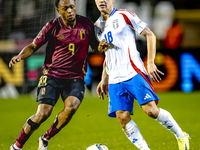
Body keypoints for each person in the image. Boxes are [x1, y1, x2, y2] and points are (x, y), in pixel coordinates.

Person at [8, 0, 109, 150]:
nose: (70, 11)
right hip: (52, 75)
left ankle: (45, 138)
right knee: (43, 114)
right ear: (58, 10)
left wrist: (101, 47)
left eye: (72, 7)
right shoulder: (52, 26)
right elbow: (33, 46)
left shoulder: (86, 24)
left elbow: (95, 46)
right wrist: (20, 56)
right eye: (65, 8)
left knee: (71, 108)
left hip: (76, 77)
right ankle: (17, 146)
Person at [94, 0, 190, 150]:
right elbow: (108, 55)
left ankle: (181, 135)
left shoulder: (125, 15)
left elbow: (150, 35)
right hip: (114, 79)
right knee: (122, 117)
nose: (101, 0)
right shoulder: (97, 26)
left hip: (133, 72)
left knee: (151, 111)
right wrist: (103, 78)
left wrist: (150, 63)